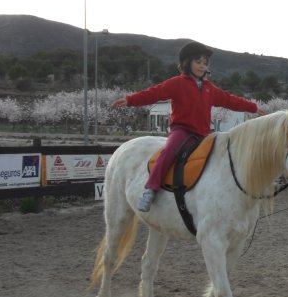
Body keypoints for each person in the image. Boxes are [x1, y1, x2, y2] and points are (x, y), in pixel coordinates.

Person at [110, 41, 266, 212]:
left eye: (205, 63)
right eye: (198, 62)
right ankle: (151, 189)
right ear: (187, 62)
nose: (202, 66)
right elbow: (154, 93)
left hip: (204, 134)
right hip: (182, 131)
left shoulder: (209, 88)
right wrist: (130, 100)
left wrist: (253, 107)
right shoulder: (177, 83)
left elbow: (230, 100)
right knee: (169, 151)